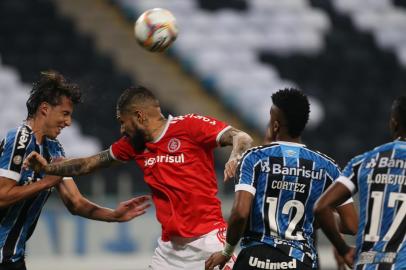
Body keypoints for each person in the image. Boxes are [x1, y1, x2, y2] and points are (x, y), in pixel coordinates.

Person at [24, 85, 254, 269]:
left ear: (139, 116)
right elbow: (88, 164)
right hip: (169, 251)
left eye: (123, 122)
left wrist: (235, 156)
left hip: (209, 239)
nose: (122, 130)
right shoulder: (133, 145)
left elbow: (241, 137)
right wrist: (47, 169)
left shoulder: (189, 126)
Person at [0, 72, 150, 270]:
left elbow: (75, 202)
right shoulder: (19, 139)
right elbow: (2, 197)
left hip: (13, 258)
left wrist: (114, 215)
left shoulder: (54, 149)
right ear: (45, 109)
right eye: (64, 113)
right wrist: (46, 182)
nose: (68, 122)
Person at [205, 88, 358, 270]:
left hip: (254, 260)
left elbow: (240, 213)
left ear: (275, 125)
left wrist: (226, 252)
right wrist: (314, 216)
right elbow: (351, 225)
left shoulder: (254, 159)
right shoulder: (327, 167)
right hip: (299, 261)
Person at [314, 96, 406, 269]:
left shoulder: (364, 161)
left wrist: (343, 249)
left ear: (394, 123)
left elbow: (321, 207)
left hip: (366, 264)